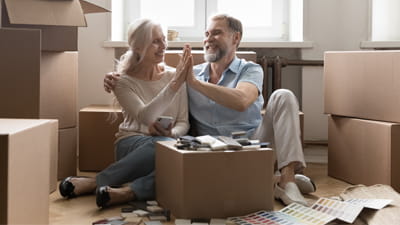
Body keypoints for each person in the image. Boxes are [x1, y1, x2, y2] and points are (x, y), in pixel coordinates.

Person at [104, 14, 315, 206]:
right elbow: (157, 84)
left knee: (283, 95)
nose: (208, 38)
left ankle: (287, 181)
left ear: (236, 38)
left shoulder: (249, 69)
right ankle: (272, 181)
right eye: (206, 34)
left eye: (217, 33)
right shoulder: (191, 73)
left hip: (255, 146)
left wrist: (195, 83)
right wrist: (115, 77)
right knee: (183, 168)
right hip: (211, 154)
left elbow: (242, 100)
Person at [59, 18, 192, 208]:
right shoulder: (122, 81)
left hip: (168, 143)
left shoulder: (174, 76)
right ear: (137, 47)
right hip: (131, 144)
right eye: (155, 41)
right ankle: (97, 181)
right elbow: (146, 117)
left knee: (179, 166)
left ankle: (127, 192)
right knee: (163, 147)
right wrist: (174, 85)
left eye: (163, 39)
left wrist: (172, 134)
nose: (163, 46)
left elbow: (183, 122)